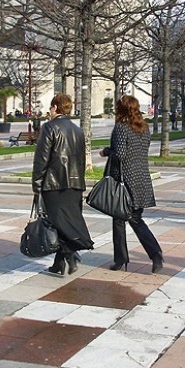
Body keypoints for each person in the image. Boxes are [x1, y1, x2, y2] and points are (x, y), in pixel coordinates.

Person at [99, 95, 164, 273]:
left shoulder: (121, 128)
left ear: (122, 109)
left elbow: (119, 154)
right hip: (141, 179)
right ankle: (156, 254)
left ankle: (120, 259)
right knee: (136, 219)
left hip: (124, 180)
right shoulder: (144, 128)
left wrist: (105, 151)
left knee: (119, 219)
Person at [32, 93, 93, 275]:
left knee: (56, 223)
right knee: (65, 222)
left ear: (56, 108)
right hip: (75, 183)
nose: (49, 111)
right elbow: (81, 160)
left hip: (54, 183)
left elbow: (41, 159)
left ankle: (70, 254)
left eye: (51, 108)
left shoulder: (49, 128)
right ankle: (59, 264)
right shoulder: (78, 130)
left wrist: (37, 183)